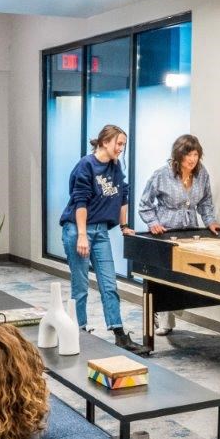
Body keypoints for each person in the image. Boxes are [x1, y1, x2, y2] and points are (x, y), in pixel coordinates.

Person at [60, 124, 149, 354]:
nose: (121, 148)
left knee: (109, 284)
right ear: (104, 142)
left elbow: (123, 195)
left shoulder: (116, 166)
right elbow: (80, 201)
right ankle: (78, 330)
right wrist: (81, 236)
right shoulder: (86, 165)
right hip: (77, 229)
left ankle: (119, 334)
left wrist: (125, 226)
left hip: (101, 232)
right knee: (80, 286)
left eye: (123, 145)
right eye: (118, 144)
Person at [138, 134, 220, 335]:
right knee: (165, 276)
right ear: (178, 155)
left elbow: (206, 201)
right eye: (188, 154)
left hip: (190, 230)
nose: (192, 159)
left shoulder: (202, 174)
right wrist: (153, 223)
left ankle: (172, 311)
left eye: (195, 154)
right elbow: (145, 204)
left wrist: (210, 221)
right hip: (166, 230)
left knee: (185, 275)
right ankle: (164, 320)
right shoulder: (162, 175)